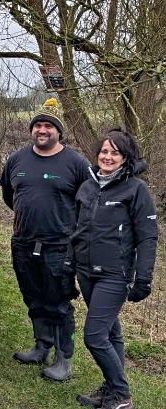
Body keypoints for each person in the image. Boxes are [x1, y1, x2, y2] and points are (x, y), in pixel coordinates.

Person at [0, 98, 92, 381]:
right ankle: (42, 346)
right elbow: (8, 195)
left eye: (48, 126)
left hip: (59, 246)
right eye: (37, 125)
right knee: (33, 297)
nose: (42, 130)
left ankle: (64, 358)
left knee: (58, 302)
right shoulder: (16, 160)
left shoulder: (76, 163)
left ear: (58, 131)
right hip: (24, 242)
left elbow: (91, 201)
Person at [73, 129, 157, 409]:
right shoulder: (87, 186)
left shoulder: (136, 189)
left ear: (125, 157)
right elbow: (77, 229)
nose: (107, 157)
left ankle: (121, 396)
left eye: (115, 152)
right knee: (110, 333)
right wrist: (67, 264)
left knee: (94, 336)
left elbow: (148, 236)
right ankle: (110, 389)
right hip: (86, 272)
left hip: (114, 275)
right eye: (104, 151)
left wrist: (143, 278)